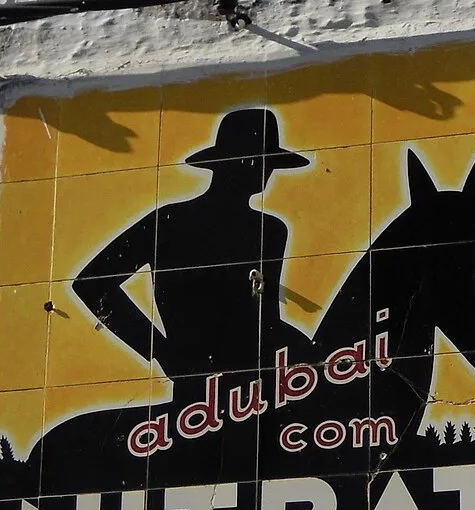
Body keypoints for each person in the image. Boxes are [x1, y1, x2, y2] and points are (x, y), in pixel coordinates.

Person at [71, 107, 308, 382]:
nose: (266, 173)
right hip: (199, 377)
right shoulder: (169, 221)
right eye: (261, 163)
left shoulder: (272, 230)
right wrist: (159, 350)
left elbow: (265, 315)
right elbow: (91, 283)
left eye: (269, 165)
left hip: (261, 374)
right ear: (237, 163)